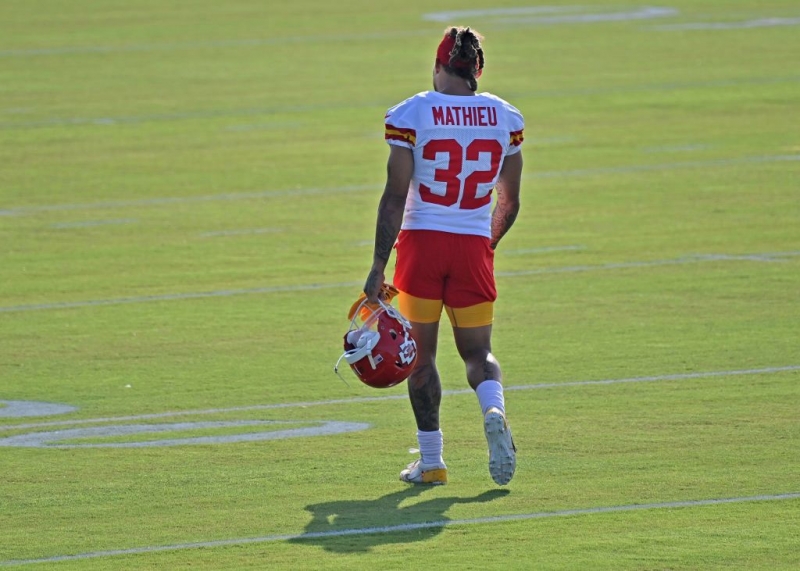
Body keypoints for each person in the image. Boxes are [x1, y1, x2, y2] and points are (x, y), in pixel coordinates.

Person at [363, 26, 524, 486]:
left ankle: (432, 462)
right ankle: (493, 408)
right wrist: (485, 246)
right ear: (477, 73)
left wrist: (378, 266)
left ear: (437, 67)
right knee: (479, 353)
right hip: (472, 244)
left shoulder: (413, 112)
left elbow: (394, 198)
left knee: (420, 357)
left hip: (422, 246)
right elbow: (509, 202)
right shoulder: (505, 116)